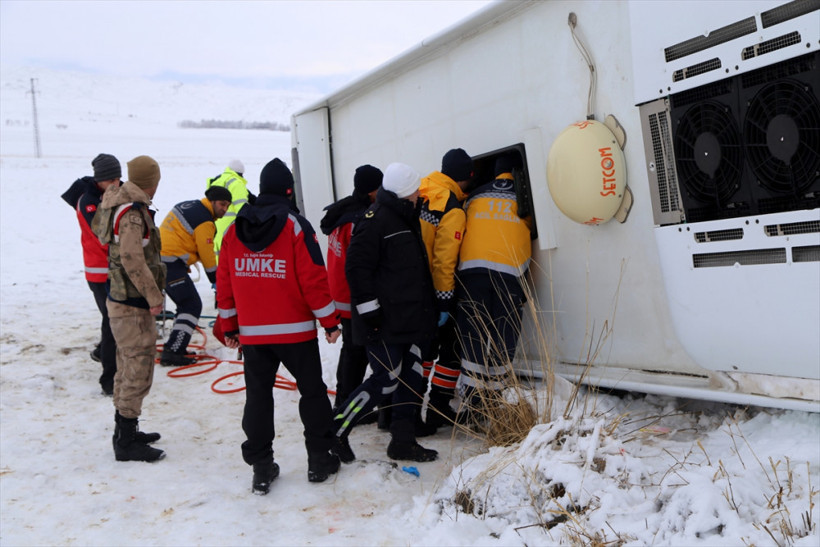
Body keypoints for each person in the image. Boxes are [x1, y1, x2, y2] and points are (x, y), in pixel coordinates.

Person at [216, 158, 342, 495]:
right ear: (289, 190)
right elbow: (314, 279)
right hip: (296, 332)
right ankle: (319, 460)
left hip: (254, 335)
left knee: (258, 398)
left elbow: (225, 284)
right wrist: (329, 322)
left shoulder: (233, 231)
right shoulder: (295, 226)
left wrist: (229, 326)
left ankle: (261, 468)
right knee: (312, 393)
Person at [334, 162, 439, 463]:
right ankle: (336, 429)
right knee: (386, 379)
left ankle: (403, 441)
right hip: (383, 320)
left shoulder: (406, 217)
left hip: (408, 317)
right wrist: (371, 312)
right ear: (405, 193)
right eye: (416, 190)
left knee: (411, 376)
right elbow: (356, 269)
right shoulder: (374, 221)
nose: (420, 194)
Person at [91, 155, 165, 463]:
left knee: (127, 364)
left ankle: (126, 430)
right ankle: (126, 439)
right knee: (137, 367)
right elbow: (133, 260)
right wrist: (153, 297)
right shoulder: (132, 213)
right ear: (151, 182)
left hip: (120, 299)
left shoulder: (116, 202)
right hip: (132, 304)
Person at [455, 155, 532, 420]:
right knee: (503, 337)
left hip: (472, 274)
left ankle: (473, 405)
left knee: (473, 336)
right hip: (509, 276)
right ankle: (493, 401)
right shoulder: (526, 199)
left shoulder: (474, 196)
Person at [319, 165, 382, 414]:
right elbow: (362, 263)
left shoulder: (342, 213)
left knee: (352, 351)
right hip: (352, 298)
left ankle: (344, 402)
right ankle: (347, 406)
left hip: (340, 295)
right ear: (370, 191)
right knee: (357, 354)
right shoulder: (359, 220)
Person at [418, 148, 474, 429]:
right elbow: (444, 261)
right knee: (451, 348)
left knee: (421, 353)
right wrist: (444, 301)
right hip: (434, 292)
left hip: (411, 287)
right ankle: (439, 406)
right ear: (466, 178)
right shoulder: (452, 207)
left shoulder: (422, 189)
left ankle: (411, 408)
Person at [61, 153, 122, 395]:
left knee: (113, 322)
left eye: (119, 178)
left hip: (114, 271)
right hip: (101, 274)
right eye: (112, 180)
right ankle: (109, 381)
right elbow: (104, 237)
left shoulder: (111, 192)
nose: (117, 183)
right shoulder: (89, 202)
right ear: (101, 180)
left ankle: (102, 354)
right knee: (112, 324)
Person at [158, 186, 232, 366]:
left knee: (187, 304)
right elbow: (207, 253)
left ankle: (175, 347)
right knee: (191, 304)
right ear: (212, 201)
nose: (225, 209)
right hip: (169, 264)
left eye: (228, 206)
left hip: (161, 260)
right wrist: (217, 280)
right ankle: (173, 351)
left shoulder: (188, 206)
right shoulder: (205, 221)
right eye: (222, 204)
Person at [206, 159, 250, 258]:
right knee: (230, 255)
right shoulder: (236, 183)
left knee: (217, 253)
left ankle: (217, 273)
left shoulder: (217, 181)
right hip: (230, 227)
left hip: (215, 225)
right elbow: (242, 209)